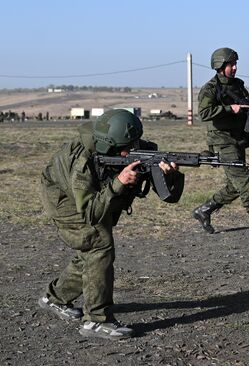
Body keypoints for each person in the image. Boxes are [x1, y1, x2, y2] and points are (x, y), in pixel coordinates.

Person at [38, 109, 184, 339]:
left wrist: (170, 175)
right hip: (65, 199)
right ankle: (95, 321)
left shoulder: (128, 145)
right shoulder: (82, 165)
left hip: (89, 197)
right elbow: (90, 213)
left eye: (136, 142)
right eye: (128, 146)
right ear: (110, 147)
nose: (134, 149)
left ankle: (55, 298)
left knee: (90, 252)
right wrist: (119, 182)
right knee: (98, 245)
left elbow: (170, 197)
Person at [192, 47, 249, 236]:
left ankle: (204, 210)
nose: (234, 68)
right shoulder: (210, 89)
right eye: (231, 64)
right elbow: (204, 113)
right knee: (244, 179)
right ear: (220, 66)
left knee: (235, 186)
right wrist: (228, 108)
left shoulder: (238, 85)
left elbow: (247, 106)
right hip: (222, 141)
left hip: (238, 139)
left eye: (235, 64)